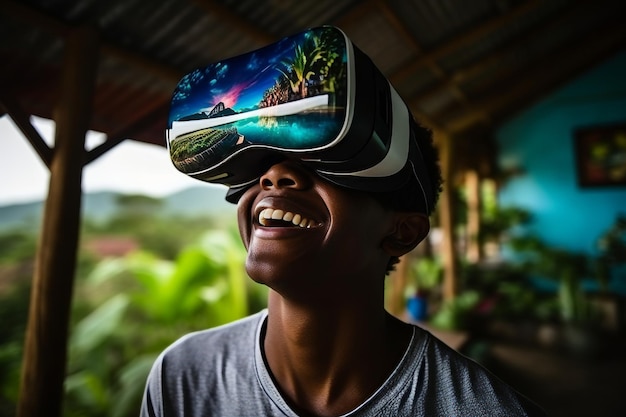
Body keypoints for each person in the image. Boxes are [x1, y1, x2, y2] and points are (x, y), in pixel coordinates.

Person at [141, 26, 545, 417]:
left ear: (402, 232)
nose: (274, 175)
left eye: (325, 162)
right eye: (260, 166)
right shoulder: (181, 378)